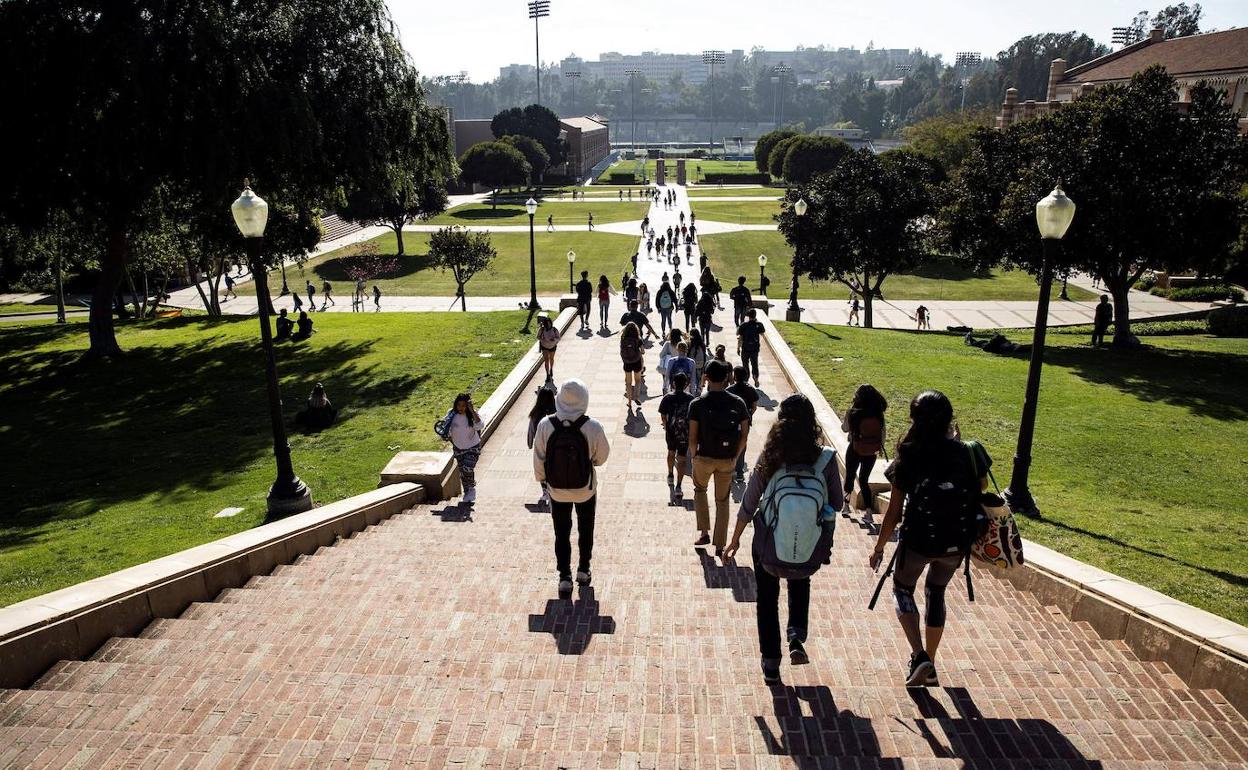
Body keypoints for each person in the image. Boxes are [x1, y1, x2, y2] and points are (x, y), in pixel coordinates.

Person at [868, 390, 991, 688]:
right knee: (936, 592)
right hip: (956, 540)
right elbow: (982, 486)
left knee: (902, 590)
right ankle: (931, 664)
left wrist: (880, 547)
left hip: (919, 540)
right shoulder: (965, 451)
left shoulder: (909, 455)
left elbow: (893, 513)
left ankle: (918, 654)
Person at [723, 393, 844, 684]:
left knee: (767, 599)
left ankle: (770, 663)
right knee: (800, 582)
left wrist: (735, 539)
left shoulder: (770, 457)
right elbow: (838, 503)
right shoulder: (825, 459)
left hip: (768, 546)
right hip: (807, 549)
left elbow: (749, 504)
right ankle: (796, 636)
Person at [532, 379, 611, 594]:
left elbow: (539, 458)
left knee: (561, 532)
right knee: (586, 529)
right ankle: (583, 569)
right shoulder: (593, 426)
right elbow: (602, 457)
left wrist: (544, 482)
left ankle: (564, 576)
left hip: (557, 490)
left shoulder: (546, 425)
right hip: (585, 488)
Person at [688, 360, 750, 555]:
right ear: (726, 378)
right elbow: (744, 435)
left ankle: (704, 532)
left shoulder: (697, 404)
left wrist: (694, 456)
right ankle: (720, 544)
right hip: (727, 460)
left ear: (705, 376)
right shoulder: (738, 403)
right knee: (722, 501)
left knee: (700, 490)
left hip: (704, 458)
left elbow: (692, 437)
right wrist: (735, 457)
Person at [841, 384, 888, 514]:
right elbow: (883, 433)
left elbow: (845, 428)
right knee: (864, 479)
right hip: (872, 451)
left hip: (854, 448)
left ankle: (846, 506)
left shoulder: (853, 412)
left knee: (850, 476)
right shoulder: (878, 414)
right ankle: (868, 511)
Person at [442, 393, 485, 505]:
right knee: (462, 472)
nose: (461, 408)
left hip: (472, 447)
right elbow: (445, 428)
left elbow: (480, 426)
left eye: (464, 405)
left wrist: (472, 410)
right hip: (458, 448)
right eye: (459, 405)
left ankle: (471, 488)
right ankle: (467, 492)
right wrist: (446, 436)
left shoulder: (472, 415)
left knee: (467, 469)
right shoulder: (451, 414)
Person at [659, 371, 695, 501]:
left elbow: (663, 416)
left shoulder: (668, 398)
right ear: (686, 384)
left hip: (671, 432)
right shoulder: (691, 399)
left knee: (670, 453)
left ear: (673, 383)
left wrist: (667, 426)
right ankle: (679, 485)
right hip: (685, 434)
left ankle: (670, 474)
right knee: (682, 459)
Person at [526, 384, 559, 510]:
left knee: (541, 468)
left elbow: (531, 430)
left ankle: (545, 491)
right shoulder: (556, 412)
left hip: (540, 447)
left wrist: (530, 443)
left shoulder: (535, 413)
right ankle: (551, 490)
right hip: (554, 446)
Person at [728, 365, 759, 482]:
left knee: (731, 445)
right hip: (745, 423)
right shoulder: (750, 389)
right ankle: (739, 472)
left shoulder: (730, 390)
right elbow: (754, 406)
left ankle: (731, 469)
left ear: (735, 376)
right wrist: (748, 416)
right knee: (742, 445)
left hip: (732, 423)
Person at [620, 322, 645, 409]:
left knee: (628, 383)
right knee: (638, 381)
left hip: (627, 362)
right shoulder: (638, 339)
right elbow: (643, 351)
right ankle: (637, 397)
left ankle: (629, 402)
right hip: (637, 361)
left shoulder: (623, 338)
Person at [737, 309, 765, 387]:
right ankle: (755, 378)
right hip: (754, 349)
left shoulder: (743, 325)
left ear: (748, 316)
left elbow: (740, 338)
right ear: (755, 316)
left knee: (745, 365)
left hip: (745, 348)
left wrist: (738, 348)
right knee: (755, 364)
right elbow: (762, 333)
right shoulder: (759, 324)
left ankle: (746, 378)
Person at [537, 314, 560, 382]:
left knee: (551, 359)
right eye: (547, 324)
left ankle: (551, 369)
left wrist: (554, 340)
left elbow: (558, 338)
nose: (549, 325)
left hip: (552, 346)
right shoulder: (542, 329)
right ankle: (547, 374)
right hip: (544, 346)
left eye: (550, 323)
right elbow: (538, 337)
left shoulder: (554, 329)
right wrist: (542, 339)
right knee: (546, 360)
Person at [687, 328, 709, 395]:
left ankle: (692, 391)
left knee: (692, 378)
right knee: (699, 378)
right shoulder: (702, 343)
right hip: (700, 363)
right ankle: (698, 391)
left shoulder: (690, 343)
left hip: (692, 364)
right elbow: (704, 355)